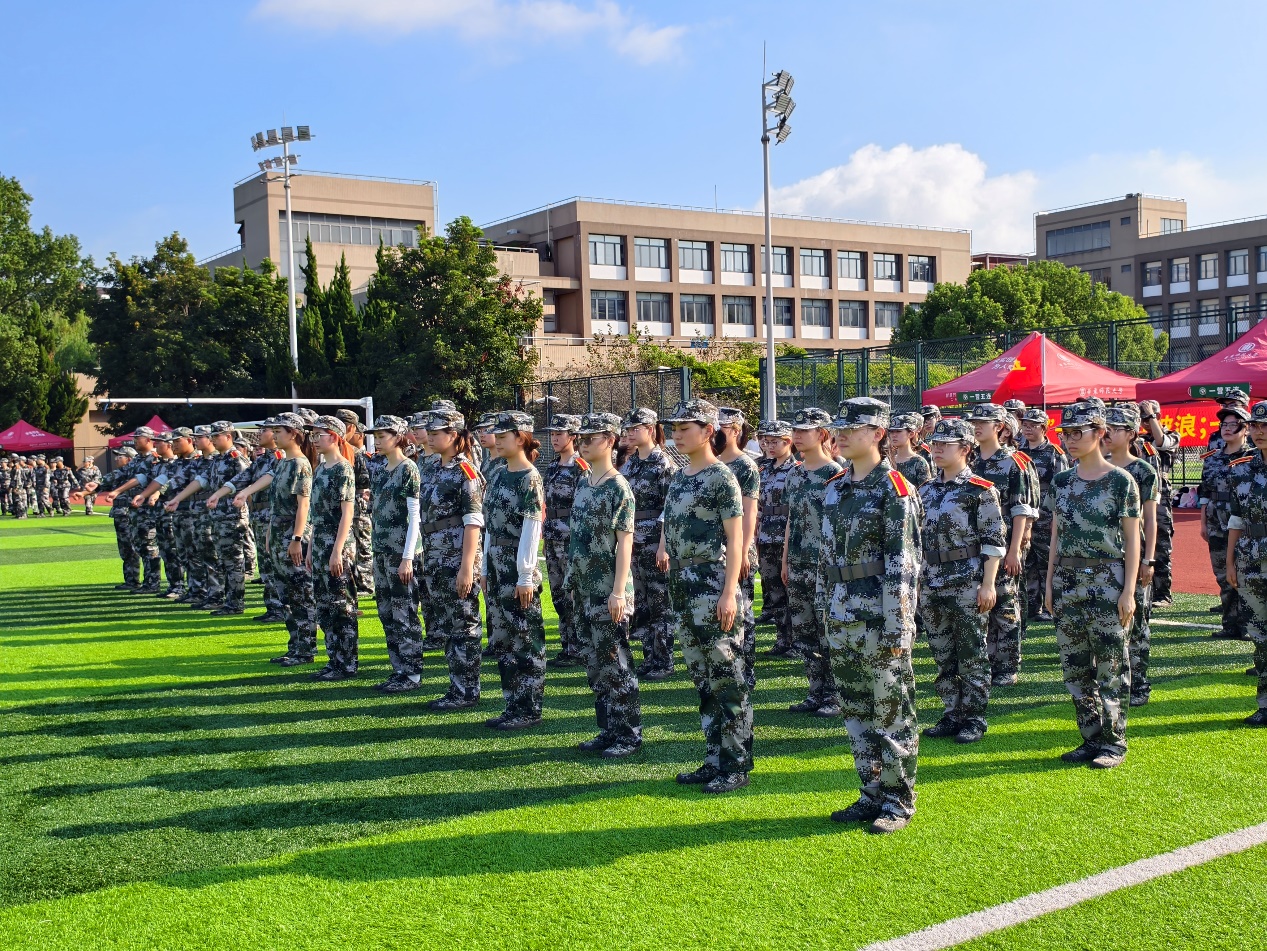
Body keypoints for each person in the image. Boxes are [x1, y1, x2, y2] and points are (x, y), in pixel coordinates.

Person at [821, 397, 921, 833]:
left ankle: (897, 800)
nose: (841, 435)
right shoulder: (835, 487)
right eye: (839, 428)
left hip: (880, 619)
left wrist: (899, 625)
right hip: (841, 616)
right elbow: (826, 558)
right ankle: (871, 791)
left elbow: (903, 564)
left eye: (851, 428)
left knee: (891, 711)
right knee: (857, 711)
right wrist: (825, 610)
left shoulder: (894, 489)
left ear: (878, 434)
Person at [656, 399, 750, 794]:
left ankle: (736, 764)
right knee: (703, 679)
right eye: (674, 428)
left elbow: (736, 539)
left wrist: (729, 593)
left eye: (684, 428)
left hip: (712, 584)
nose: (676, 435)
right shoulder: (680, 476)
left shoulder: (721, 477)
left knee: (727, 678)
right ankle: (714, 758)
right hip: (683, 585)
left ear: (708, 431)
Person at [1046, 402, 1140, 770]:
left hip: (1107, 579)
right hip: (1067, 581)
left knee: (1111, 665)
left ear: (1100, 433)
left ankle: (1114, 742)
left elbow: (1132, 539)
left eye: (1078, 432)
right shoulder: (1061, 481)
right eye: (1066, 433)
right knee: (1075, 665)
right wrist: (1050, 584)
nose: (1070, 439)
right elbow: (1056, 534)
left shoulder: (1121, 481)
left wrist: (1128, 591)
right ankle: (1090, 737)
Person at [918, 418, 1006, 744]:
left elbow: (993, 542)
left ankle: (974, 717)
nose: (937, 449)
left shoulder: (980, 491)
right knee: (942, 653)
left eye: (946, 445)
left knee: (971, 653)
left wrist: (989, 584)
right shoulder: (925, 490)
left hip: (966, 581)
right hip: (932, 581)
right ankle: (952, 712)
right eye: (935, 443)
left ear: (965, 449)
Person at [568, 412, 642, 757]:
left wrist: (618, 591)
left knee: (616, 663)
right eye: (580, 438)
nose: (583, 443)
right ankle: (608, 729)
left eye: (590, 438)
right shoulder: (584, 482)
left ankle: (628, 735)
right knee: (595, 665)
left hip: (608, 589)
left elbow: (625, 542)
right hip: (584, 586)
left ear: (610, 440)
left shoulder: (618, 487)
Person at [232, 412, 319, 666]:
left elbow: (303, 506)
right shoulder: (283, 462)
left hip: (293, 536)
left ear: (294, 434)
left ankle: (306, 649)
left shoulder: (300, 464)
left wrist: (297, 538)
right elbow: (275, 503)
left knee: (300, 593)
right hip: (280, 535)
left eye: (279, 431)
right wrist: (270, 532)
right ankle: (295, 646)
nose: (275, 435)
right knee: (287, 595)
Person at [483, 411, 548, 729]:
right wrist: (485, 567)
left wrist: (525, 575)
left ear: (521, 438)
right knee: (504, 639)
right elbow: (489, 525)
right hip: (497, 564)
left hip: (517, 566)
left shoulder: (529, 477)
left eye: (503, 436)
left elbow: (532, 528)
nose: (497, 441)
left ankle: (529, 708)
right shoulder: (498, 473)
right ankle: (512, 704)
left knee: (525, 638)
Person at [966, 403, 1038, 687]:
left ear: (999, 427)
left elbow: (1022, 510)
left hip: (1005, 543)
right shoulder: (970, 460)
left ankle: (1007, 665)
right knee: (981, 603)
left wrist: (1015, 550)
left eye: (983, 422)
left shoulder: (1014, 462)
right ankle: (986, 660)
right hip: (975, 545)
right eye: (974, 422)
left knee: (1005, 604)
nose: (976, 426)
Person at [420, 408, 486, 709]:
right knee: (448, 623)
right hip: (435, 556)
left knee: (463, 623)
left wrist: (467, 567)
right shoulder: (432, 468)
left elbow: (473, 522)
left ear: (454, 435)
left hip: (456, 557)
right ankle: (456, 687)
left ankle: (467, 690)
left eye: (436, 433)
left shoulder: (466, 472)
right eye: (430, 432)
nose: (430, 437)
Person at [782, 407, 843, 717]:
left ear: (822, 434)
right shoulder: (794, 473)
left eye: (804, 430)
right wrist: (784, 560)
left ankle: (834, 695)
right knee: (804, 631)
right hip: (798, 562)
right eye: (795, 430)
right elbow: (791, 519)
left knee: (827, 630)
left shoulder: (836, 474)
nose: (797, 435)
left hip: (824, 566)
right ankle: (815, 691)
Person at [1104, 403, 1159, 707]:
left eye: (1115, 429)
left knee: (1136, 624)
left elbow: (1150, 520)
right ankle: (1113, 683)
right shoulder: (1096, 466)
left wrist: (1149, 560)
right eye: (1106, 428)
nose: (1108, 434)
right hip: (1104, 558)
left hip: (1132, 556)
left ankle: (1138, 684)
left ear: (1131, 434)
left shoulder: (1143, 470)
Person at [620, 407, 679, 680]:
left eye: (636, 428)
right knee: (642, 604)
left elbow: (670, 508)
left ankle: (664, 661)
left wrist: (664, 546)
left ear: (651, 429)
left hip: (655, 542)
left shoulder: (663, 464)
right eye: (628, 429)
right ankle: (649, 658)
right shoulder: (630, 463)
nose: (630, 433)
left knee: (660, 604)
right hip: (633, 542)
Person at [303, 415, 361, 680]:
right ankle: (333, 659)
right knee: (324, 606)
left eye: (319, 435)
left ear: (335, 437)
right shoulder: (320, 468)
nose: (314, 440)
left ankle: (347, 662)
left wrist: (337, 550)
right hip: (320, 543)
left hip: (338, 543)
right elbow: (317, 515)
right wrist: (311, 548)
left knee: (342, 605)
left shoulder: (343, 469)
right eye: (313, 435)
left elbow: (347, 514)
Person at [1200, 404, 1256, 641]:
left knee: (1244, 573)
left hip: (1243, 522)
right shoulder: (1212, 457)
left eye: (1234, 425)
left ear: (1245, 429)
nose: (1227, 429)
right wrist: (1203, 522)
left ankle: (1248, 624)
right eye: (1224, 424)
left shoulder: (1253, 457)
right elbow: (1204, 491)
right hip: (1216, 521)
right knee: (1223, 574)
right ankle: (1230, 624)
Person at [1227, 399, 1267, 727]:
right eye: (1255, 425)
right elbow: (1236, 520)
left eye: (1265, 426)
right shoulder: (1241, 468)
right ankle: (1265, 704)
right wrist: (1230, 562)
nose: (1259, 431)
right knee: (1260, 636)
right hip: (1251, 559)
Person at [715, 407, 760, 689]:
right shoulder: (713, 463)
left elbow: (749, 512)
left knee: (743, 612)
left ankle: (746, 669)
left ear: (735, 431)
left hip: (738, 547)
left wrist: (743, 551)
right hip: (715, 550)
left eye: (721, 427)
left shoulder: (745, 465)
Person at [542, 413, 589, 668]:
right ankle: (567, 646)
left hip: (570, 538)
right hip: (552, 537)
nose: (554, 438)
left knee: (574, 594)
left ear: (573, 436)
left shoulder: (580, 467)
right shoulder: (552, 466)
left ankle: (580, 647)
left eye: (559, 434)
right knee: (558, 594)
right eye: (552, 434)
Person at [1019, 408, 1069, 623]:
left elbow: (1062, 488)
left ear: (1044, 428)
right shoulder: (1018, 452)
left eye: (1033, 425)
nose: (1028, 429)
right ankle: (1032, 606)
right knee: (1027, 562)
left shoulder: (1054, 453)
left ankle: (1051, 605)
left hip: (1046, 517)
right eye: (1025, 425)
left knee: (1047, 562)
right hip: (1025, 517)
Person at [200, 421, 253, 616]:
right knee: (223, 560)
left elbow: (247, 481)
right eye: (212, 436)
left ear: (228, 436)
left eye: (216, 436)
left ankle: (236, 603)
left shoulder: (235, 458)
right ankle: (228, 600)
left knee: (234, 561)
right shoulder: (217, 459)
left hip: (232, 517)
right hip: (219, 517)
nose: (213, 439)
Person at [755, 419, 797, 655]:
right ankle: (782, 640)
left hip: (786, 537)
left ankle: (796, 642)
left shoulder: (796, 470)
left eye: (774, 442)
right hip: (766, 537)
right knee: (773, 591)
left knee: (791, 591)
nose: (769, 446)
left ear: (787, 442)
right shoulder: (763, 469)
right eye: (766, 441)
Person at [1135, 399, 1181, 606]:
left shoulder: (1171, 435)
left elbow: (1162, 443)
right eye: (1142, 419)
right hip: (1138, 497)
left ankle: (1162, 594)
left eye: (1148, 418)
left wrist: (1151, 415)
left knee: (1161, 546)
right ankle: (1143, 590)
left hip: (1160, 498)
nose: (1145, 423)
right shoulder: (1137, 440)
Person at [335, 409, 377, 601]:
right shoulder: (341, 451)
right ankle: (355, 580)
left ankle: (366, 583)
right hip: (348, 502)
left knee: (363, 543)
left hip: (359, 503)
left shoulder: (360, 455)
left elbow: (366, 481)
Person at [95, 447, 142, 589]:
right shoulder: (119, 473)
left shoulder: (134, 473)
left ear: (129, 459)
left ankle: (137, 581)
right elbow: (102, 483)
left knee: (132, 548)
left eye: (120, 456)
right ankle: (130, 580)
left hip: (129, 513)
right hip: (119, 513)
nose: (116, 459)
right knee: (125, 549)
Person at [887, 413, 932, 487]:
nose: (894, 435)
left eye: (898, 431)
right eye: (891, 431)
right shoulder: (888, 460)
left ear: (911, 434)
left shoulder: (919, 462)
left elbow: (925, 491)